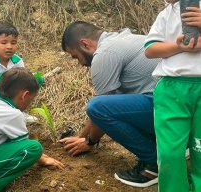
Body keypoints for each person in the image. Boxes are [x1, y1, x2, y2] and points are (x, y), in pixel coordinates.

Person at [59, 21, 160, 187]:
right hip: (180, 107)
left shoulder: (105, 54)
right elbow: (114, 102)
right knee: (112, 103)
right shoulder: (125, 38)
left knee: (97, 107)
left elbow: (101, 110)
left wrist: (88, 141)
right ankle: (170, 146)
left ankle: (153, 163)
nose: (81, 63)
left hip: (164, 107)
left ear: (84, 44)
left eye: (76, 56)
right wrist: (81, 136)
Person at [0, 68, 64, 192]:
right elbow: (24, 147)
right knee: (34, 148)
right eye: (32, 99)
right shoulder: (13, 114)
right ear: (24, 96)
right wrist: (43, 159)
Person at [144, 1, 201, 191]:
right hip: (171, 89)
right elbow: (150, 49)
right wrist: (180, 47)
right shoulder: (167, 13)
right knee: (170, 153)